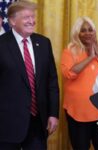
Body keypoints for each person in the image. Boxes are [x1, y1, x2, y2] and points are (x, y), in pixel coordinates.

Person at [0, 1, 59, 149]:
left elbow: (52, 82)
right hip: (7, 123)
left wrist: (53, 114)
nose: (32, 21)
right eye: (26, 17)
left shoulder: (44, 43)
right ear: (12, 21)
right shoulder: (1, 44)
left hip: (38, 123)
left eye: (33, 16)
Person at [60, 16, 98, 150]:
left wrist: (96, 51)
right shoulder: (70, 51)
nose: (87, 33)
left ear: (95, 32)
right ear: (77, 33)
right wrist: (90, 57)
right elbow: (69, 73)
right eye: (83, 30)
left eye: (90, 30)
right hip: (78, 110)